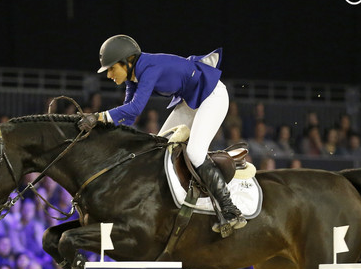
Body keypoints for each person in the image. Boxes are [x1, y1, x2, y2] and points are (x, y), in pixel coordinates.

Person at [84, 35, 245, 234]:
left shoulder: (149, 68)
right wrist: (99, 129)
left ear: (128, 61)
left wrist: (98, 117)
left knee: (195, 153)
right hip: (192, 100)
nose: (109, 75)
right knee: (160, 148)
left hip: (213, 96)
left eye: (111, 68)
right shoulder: (133, 76)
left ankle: (230, 209)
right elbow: (128, 116)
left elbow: (133, 110)